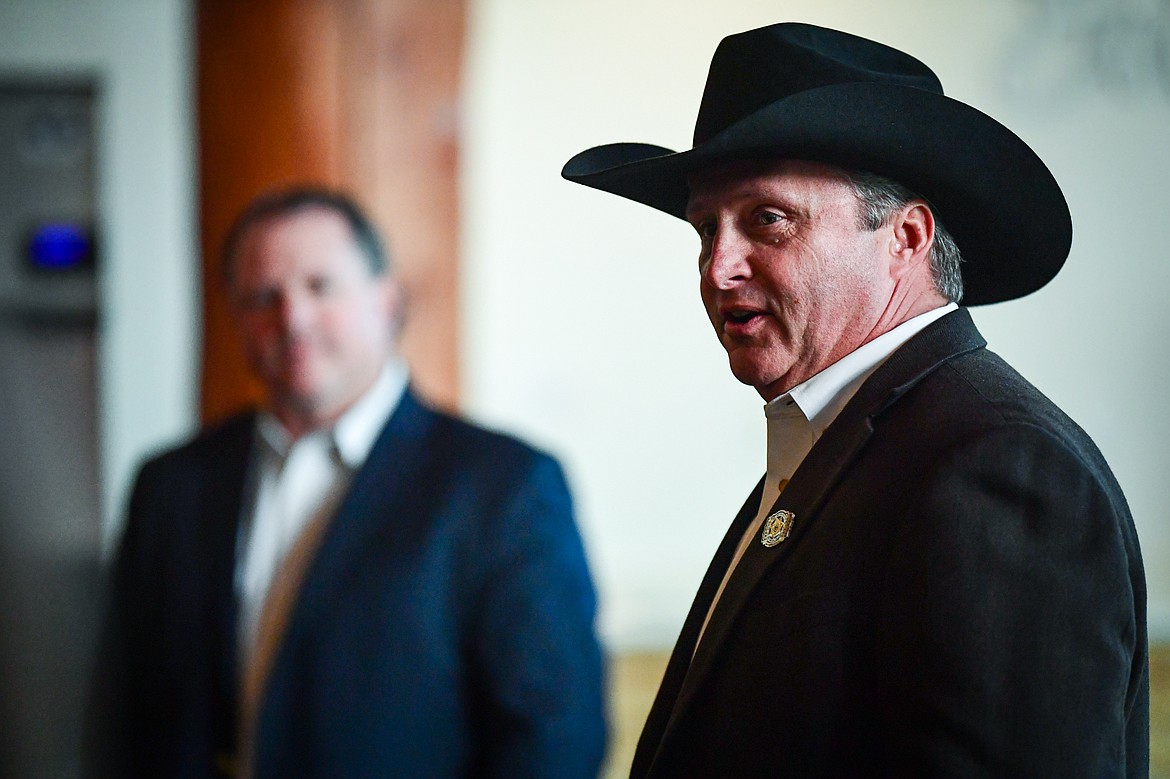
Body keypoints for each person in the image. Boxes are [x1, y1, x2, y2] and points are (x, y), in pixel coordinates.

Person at [563, 22, 1147, 777]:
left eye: (767, 218)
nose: (717, 267)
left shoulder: (999, 468)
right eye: (706, 229)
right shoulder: (853, 438)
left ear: (906, 237)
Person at [86, 188, 606, 779]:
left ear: (387, 301)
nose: (293, 318)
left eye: (320, 286)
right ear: (234, 316)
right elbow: (124, 713)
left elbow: (555, 738)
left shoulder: (504, 486)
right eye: (263, 296)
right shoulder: (170, 485)